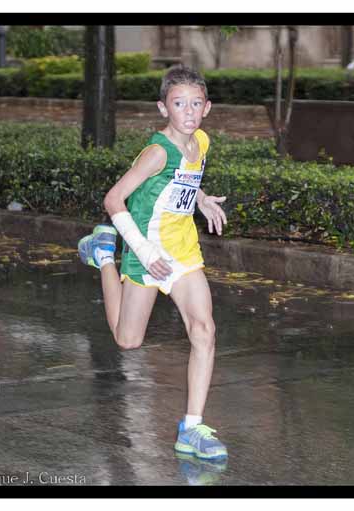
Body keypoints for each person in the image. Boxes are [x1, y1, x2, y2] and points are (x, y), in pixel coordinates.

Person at [77, 65, 229, 461]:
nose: (189, 111)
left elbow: (184, 182)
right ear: (164, 108)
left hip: (183, 249)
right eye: (180, 104)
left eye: (196, 103)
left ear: (207, 108)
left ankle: (192, 428)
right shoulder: (157, 152)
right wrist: (142, 253)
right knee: (128, 340)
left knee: (204, 330)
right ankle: (104, 255)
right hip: (147, 249)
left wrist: (201, 199)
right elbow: (114, 201)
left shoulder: (201, 142)